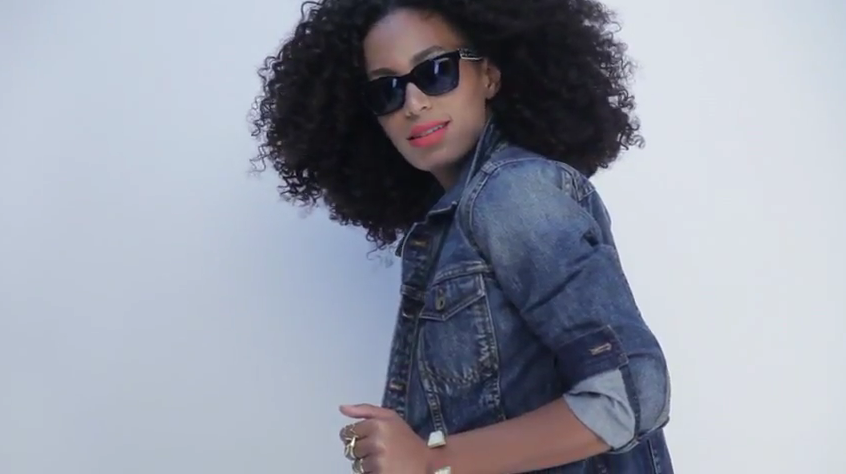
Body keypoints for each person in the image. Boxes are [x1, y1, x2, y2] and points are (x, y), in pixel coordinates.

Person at [251, 0, 673, 472]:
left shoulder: (513, 193)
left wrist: (432, 461)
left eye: (436, 71)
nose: (413, 104)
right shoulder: (451, 223)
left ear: (488, 75)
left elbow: (633, 391)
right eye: (387, 90)